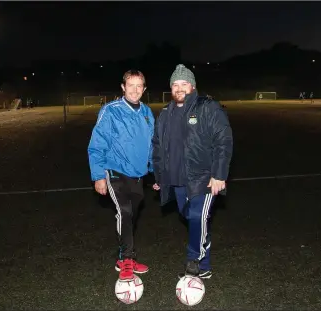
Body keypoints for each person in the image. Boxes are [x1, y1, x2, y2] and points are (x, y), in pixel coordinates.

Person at [152, 64, 233, 280]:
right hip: (177, 180)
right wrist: (159, 176)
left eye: (184, 83)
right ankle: (204, 263)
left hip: (204, 178)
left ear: (193, 86)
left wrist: (219, 174)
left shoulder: (208, 107)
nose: (179, 88)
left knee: (199, 215)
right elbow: (158, 146)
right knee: (190, 216)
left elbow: (223, 141)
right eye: (175, 84)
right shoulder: (166, 113)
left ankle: (194, 261)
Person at [88, 70, 154, 281]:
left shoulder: (147, 112)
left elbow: (153, 146)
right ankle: (126, 259)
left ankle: (125, 256)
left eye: (139, 86)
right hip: (115, 172)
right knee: (125, 212)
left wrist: (157, 173)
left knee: (130, 215)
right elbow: (97, 144)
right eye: (130, 85)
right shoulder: (110, 111)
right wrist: (99, 175)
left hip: (138, 175)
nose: (135, 90)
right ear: (123, 87)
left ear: (144, 89)